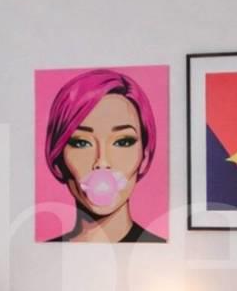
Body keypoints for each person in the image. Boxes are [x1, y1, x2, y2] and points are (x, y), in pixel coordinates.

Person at [42, 68, 162, 243]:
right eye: (81, 143)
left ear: (144, 157)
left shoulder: (162, 252)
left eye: (123, 142)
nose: (102, 162)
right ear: (57, 161)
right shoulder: (40, 252)